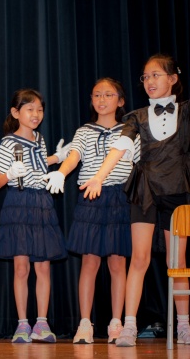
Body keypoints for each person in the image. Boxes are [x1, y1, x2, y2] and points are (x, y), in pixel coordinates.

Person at [80, 54, 190, 347]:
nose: (149, 81)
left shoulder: (186, 112)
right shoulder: (136, 116)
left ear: (173, 78)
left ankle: (184, 325)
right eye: (145, 77)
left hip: (177, 192)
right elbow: (120, 147)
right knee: (139, 259)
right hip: (145, 192)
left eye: (156, 75)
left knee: (177, 261)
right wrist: (99, 177)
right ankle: (129, 325)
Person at [43, 78, 138, 344]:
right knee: (89, 261)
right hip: (91, 198)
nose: (102, 99)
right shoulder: (84, 131)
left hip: (120, 198)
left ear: (120, 101)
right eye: (97, 95)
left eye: (108, 95)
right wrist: (60, 173)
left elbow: (141, 163)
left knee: (118, 263)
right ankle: (84, 323)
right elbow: (74, 156)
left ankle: (116, 323)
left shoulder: (130, 130)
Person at [0, 88, 68, 344]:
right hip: (19, 203)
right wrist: (10, 173)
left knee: (43, 267)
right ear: (16, 113)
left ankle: (42, 323)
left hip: (42, 203)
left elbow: (39, 164)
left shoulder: (39, 139)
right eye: (30, 109)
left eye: (39, 109)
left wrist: (57, 158)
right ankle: (22, 324)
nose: (36, 114)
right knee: (21, 268)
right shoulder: (8, 143)